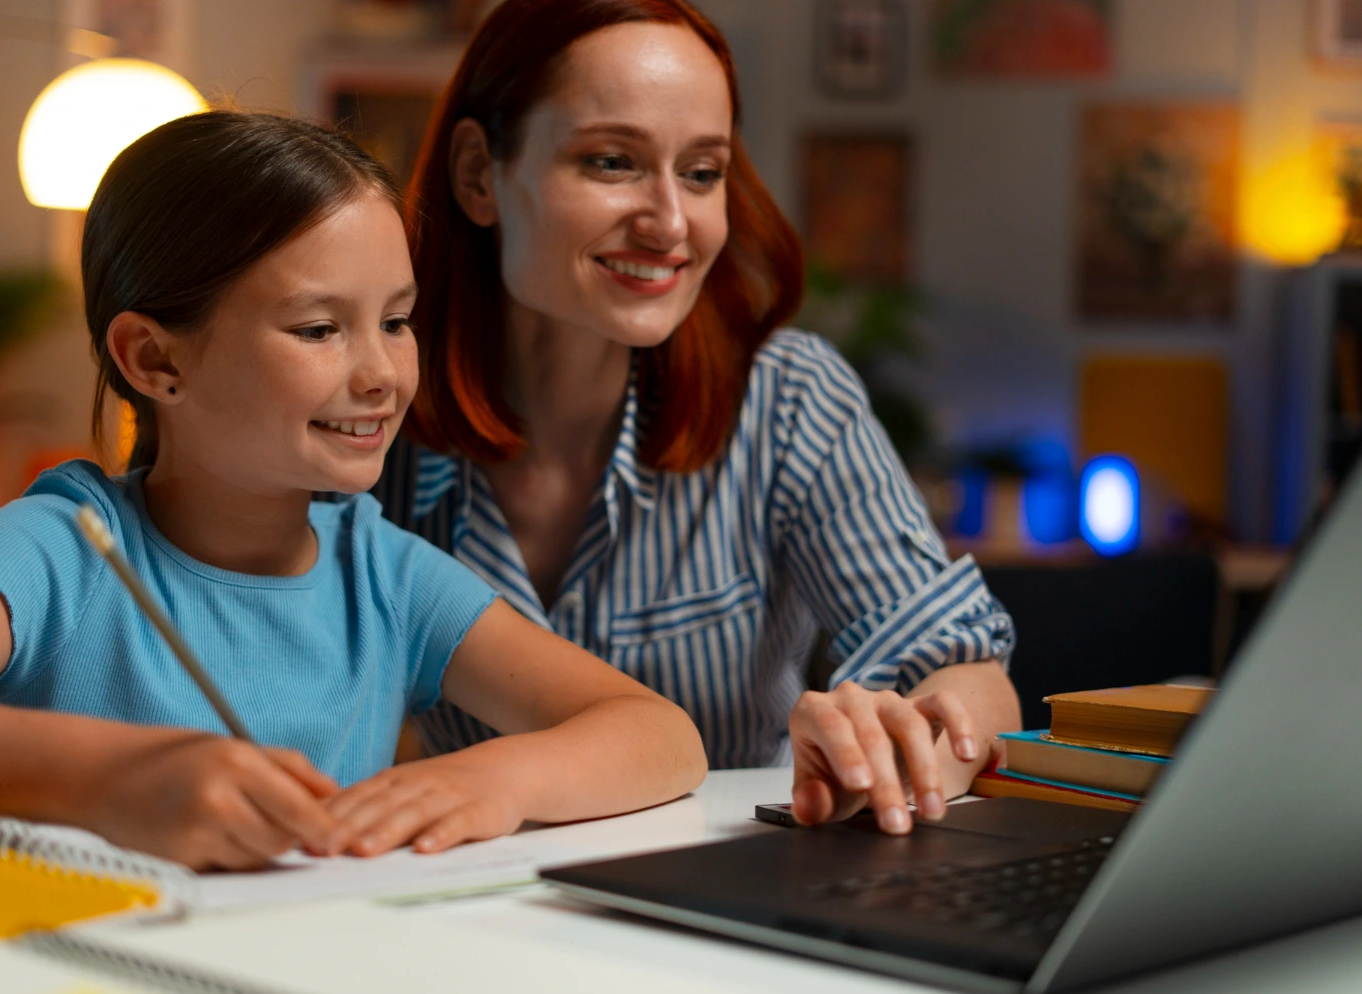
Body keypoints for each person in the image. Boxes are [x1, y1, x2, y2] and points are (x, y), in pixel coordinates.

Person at [0, 111, 706, 872]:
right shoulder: (66, 545)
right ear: (156, 360)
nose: (383, 375)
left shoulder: (386, 577)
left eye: (395, 321)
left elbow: (661, 735)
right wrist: (114, 780)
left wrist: (497, 780)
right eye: (319, 329)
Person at [374, 0, 1021, 837]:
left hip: (733, 897)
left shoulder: (786, 400)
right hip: (469, 903)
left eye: (703, 172)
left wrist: (901, 747)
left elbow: (967, 670)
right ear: (477, 174)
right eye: (612, 161)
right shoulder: (373, 421)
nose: (671, 223)